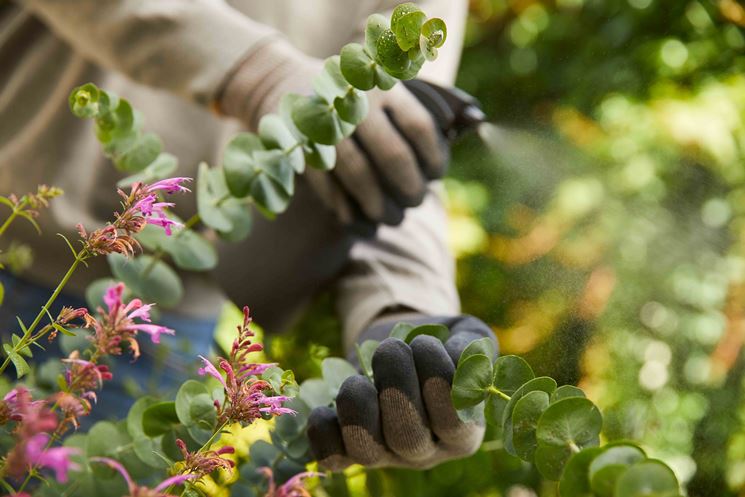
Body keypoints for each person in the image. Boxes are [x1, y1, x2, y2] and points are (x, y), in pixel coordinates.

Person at [0, 0, 497, 470]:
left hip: (152, 333)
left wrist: (403, 313)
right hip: (18, 231)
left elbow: (392, 150)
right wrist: (260, 75)